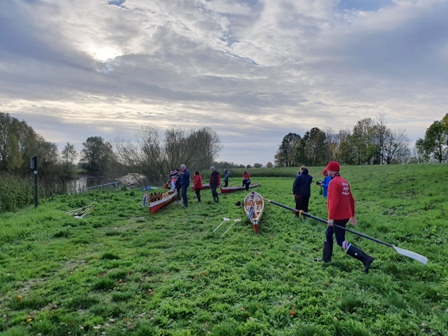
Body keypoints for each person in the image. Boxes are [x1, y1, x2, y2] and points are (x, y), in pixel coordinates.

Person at [316, 161, 374, 274]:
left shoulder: (334, 183)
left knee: (340, 241)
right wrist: (351, 215)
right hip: (344, 216)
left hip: (337, 216)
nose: (327, 171)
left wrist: (331, 217)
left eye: (328, 169)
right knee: (328, 233)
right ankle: (326, 259)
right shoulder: (344, 182)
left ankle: (365, 258)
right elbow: (351, 200)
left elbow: (334, 202)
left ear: (332, 171)